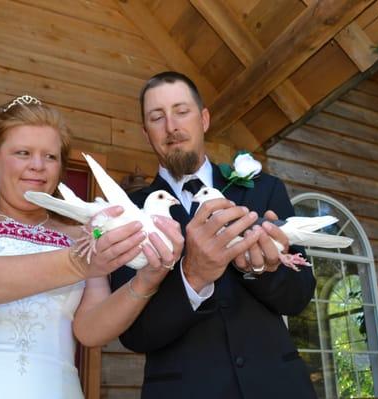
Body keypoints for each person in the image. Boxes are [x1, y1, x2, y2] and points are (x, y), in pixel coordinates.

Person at [0, 95, 183, 399]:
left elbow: (90, 331)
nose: (38, 166)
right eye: (23, 153)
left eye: (50, 157)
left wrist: (148, 279)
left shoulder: (78, 230)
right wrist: (77, 265)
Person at [111, 72, 318, 399]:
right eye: (157, 117)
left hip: (278, 386)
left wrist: (264, 269)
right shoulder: (128, 211)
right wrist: (192, 278)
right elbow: (133, 334)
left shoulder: (265, 189)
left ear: (204, 119)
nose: (171, 126)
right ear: (146, 133)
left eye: (181, 111)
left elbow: (299, 295)